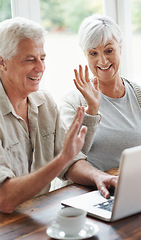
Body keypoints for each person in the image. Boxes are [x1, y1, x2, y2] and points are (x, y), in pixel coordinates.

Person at [0, 17, 117, 213]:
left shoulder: (45, 103)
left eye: (42, 58)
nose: (40, 68)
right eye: (30, 59)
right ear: (2, 63)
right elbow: (4, 198)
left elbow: (70, 162)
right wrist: (61, 159)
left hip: (39, 216)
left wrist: (98, 176)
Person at [60, 15, 141, 179]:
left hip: (137, 187)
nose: (102, 60)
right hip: (89, 193)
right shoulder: (72, 102)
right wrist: (92, 111)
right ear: (85, 55)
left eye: (109, 51)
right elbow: (70, 159)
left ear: (120, 48)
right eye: (93, 53)